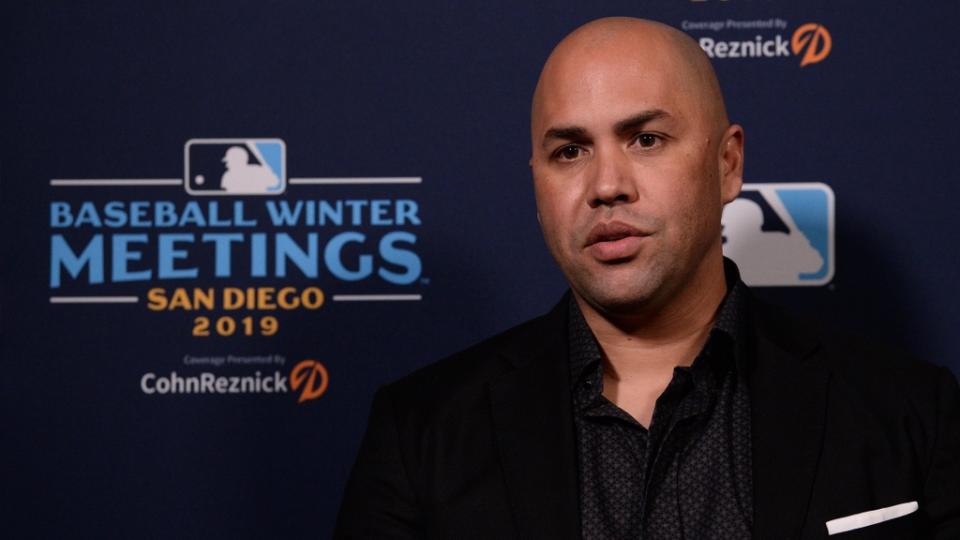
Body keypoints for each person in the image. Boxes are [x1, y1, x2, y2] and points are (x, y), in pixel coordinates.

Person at [334, 17, 960, 539]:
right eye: (569, 152)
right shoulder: (421, 433)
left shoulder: (910, 413)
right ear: (536, 184)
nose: (607, 186)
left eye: (647, 139)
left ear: (728, 164)